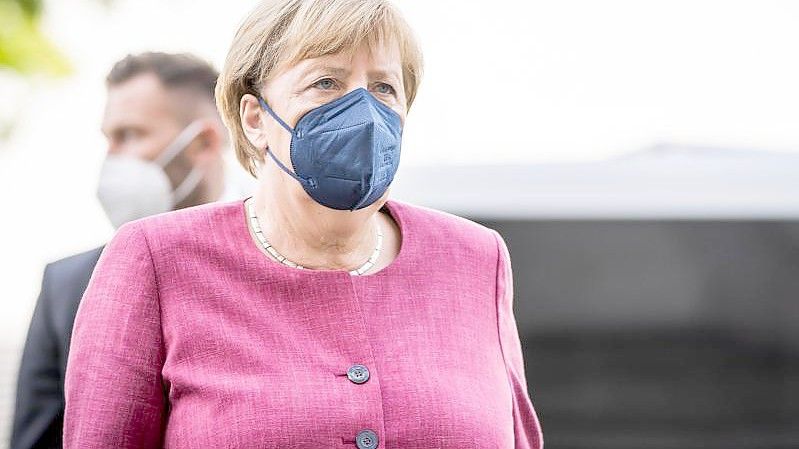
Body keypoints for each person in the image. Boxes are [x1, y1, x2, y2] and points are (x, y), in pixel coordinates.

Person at [63, 1, 543, 448]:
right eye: (326, 82)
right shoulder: (156, 258)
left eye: (383, 87)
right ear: (254, 118)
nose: (363, 111)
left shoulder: (477, 258)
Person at [11, 52, 248, 449]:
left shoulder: (285, 259)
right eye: (109, 138)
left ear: (204, 141)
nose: (113, 159)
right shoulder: (67, 286)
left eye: (131, 135)